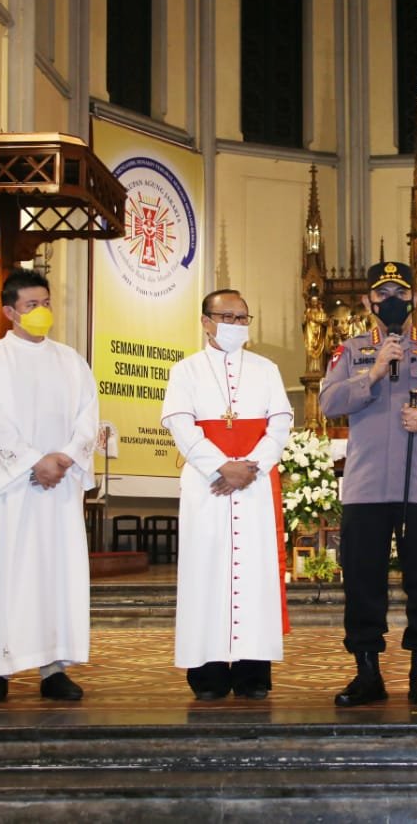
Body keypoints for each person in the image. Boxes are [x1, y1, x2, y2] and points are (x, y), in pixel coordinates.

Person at [319, 261, 417, 707]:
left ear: (413, 299)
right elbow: (329, 402)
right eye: (383, 293)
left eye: (401, 294)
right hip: (366, 488)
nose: (392, 301)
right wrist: (371, 374)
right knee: (362, 583)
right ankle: (367, 673)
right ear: (369, 301)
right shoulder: (349, 351)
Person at [0, 268, 99, 706]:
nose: (41, 312)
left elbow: (88, 418)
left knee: (54, 575)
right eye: (31, 306)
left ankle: (53, 667)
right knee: (2, 573)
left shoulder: (71, 361)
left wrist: (63, 460)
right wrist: (30, 463)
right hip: (10, 491)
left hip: (57, 490)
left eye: (45, 303)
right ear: (9, 312)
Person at [161, 290, 293, 700]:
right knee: (206, 574)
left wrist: (249, 467)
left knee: (255, 577)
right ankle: (209, 673)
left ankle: (254, 672)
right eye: (228, 317)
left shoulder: (266, 369)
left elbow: (281, 422)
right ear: (206, 321)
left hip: (254, 487)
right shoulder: (186, 371)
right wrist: (221, 466)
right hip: (207, 486)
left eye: (243, 318)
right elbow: (180, 423)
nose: (237, 325)